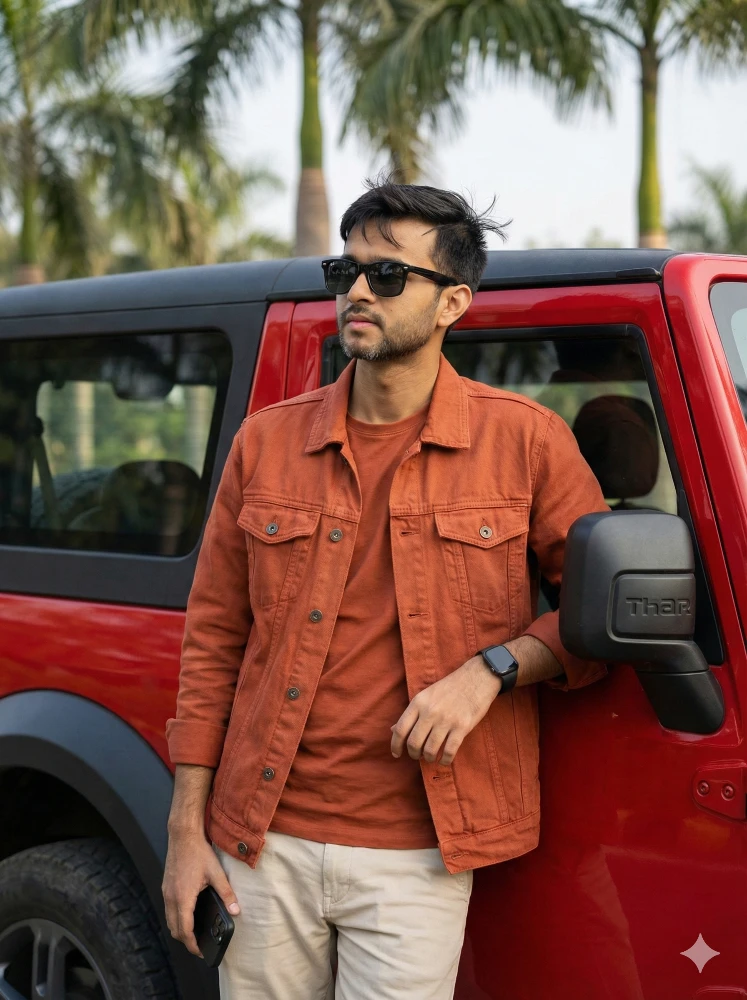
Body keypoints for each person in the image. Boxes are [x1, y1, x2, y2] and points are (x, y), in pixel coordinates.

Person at [162, 180, 608, 999]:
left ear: (453, 303)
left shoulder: (527, 444)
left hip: (420, 852)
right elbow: (213, 639)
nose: (358, 291)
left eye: (388, 275)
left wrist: (492, 670)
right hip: (260, 843)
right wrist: (185, 833)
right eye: (346, 271)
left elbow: (598, 616)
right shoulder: (267, 442)